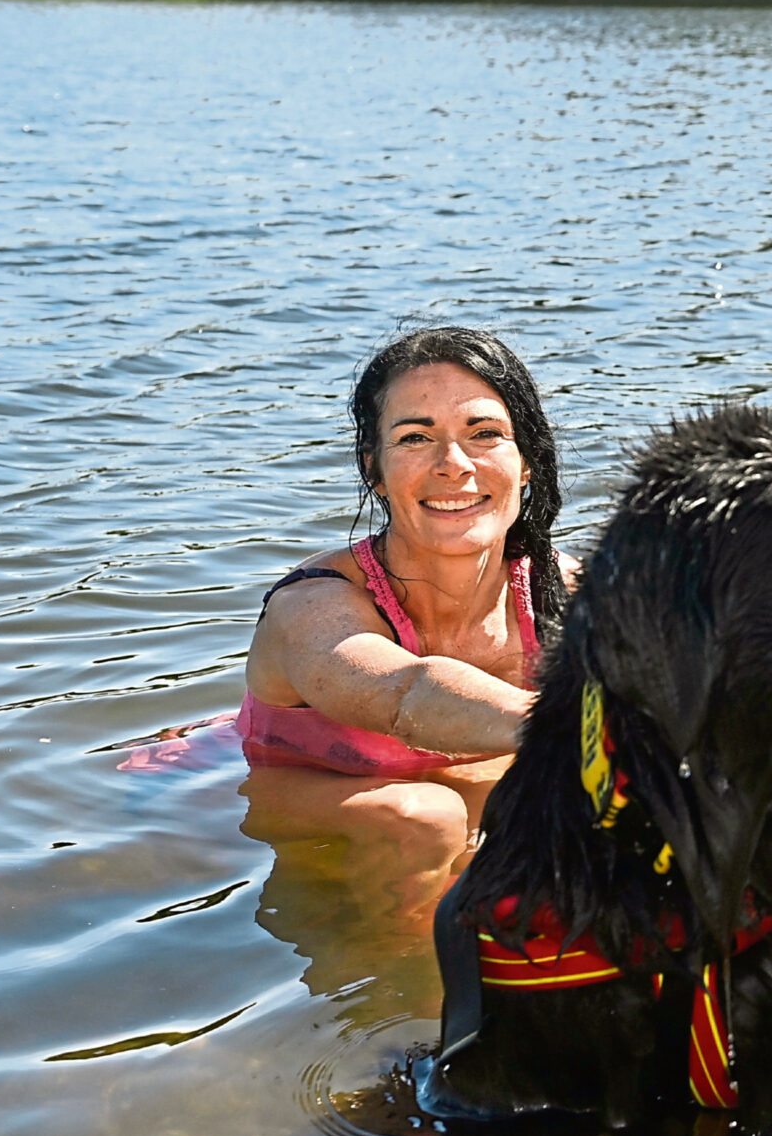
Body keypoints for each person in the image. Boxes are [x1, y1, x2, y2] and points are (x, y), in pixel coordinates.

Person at [239, 326, 577, 905]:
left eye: (485, 434)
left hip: (465, 799)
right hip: (313, 792)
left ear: (527, 463)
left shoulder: (570, 595)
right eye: (416, 438)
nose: (454, 465)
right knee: (424, 816)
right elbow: (404, 693)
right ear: (374, 467)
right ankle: (398, 987)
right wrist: (586, 731)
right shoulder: (313, 606)